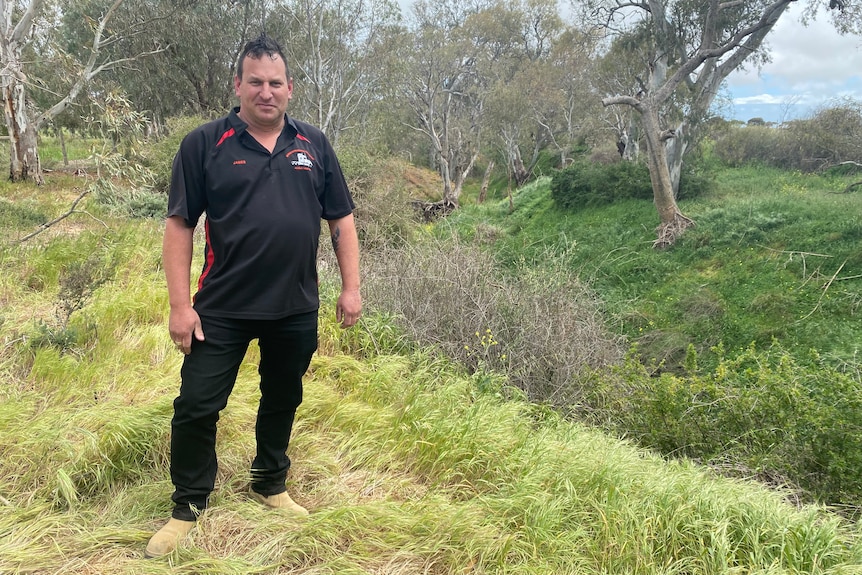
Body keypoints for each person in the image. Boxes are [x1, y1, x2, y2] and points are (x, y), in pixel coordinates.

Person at [145, 34, 361, 558]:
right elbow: (179, 225)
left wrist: (352, 287)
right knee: (197, 405)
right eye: (256, 82)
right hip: (220, 306)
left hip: (294, 305)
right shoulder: (205, 144)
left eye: (276, 83)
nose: (267, 92)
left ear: (290, 88)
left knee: (283, 395)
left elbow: (342, 220)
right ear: (238, 85)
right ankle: (188, 506)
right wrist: (180, 305)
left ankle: (269, 481)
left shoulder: (313, 143)